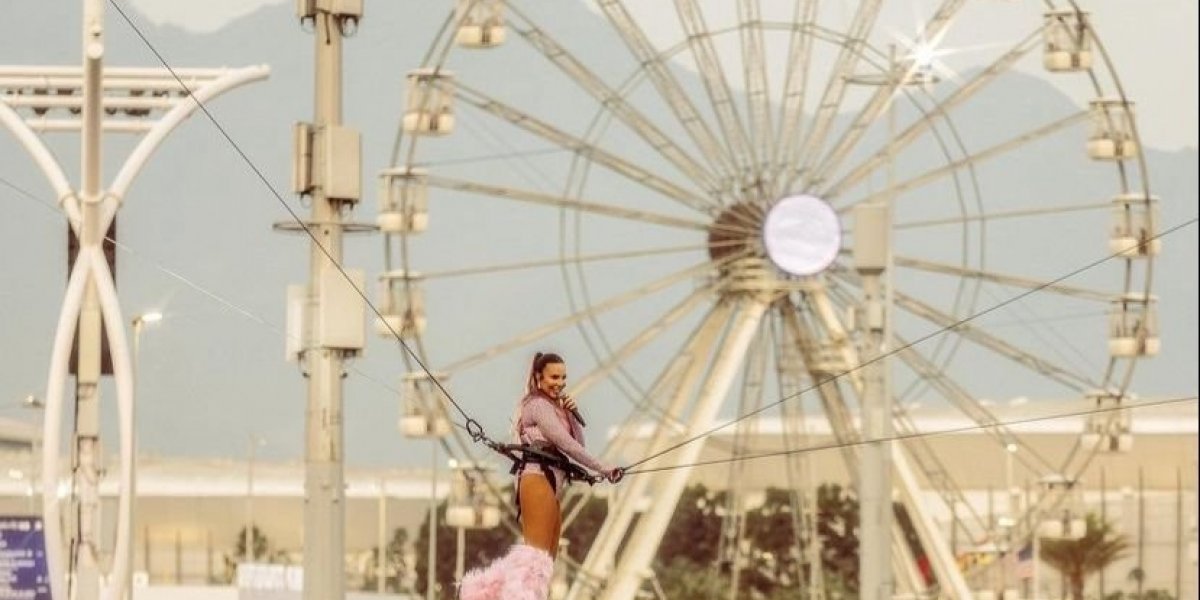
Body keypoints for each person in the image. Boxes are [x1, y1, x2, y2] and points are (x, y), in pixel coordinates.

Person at [459, 352, 621, 600]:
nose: (560, 382)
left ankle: (482, 592)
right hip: (537, 479)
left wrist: (570, 416)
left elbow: (578, 442)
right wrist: (603, 468)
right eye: (554, 377)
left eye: (563, 377)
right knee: (534, 560)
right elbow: (565, 444)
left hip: (553, 483)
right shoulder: (536, 405)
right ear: (538, 376)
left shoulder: (555, 408)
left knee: (544, 563)